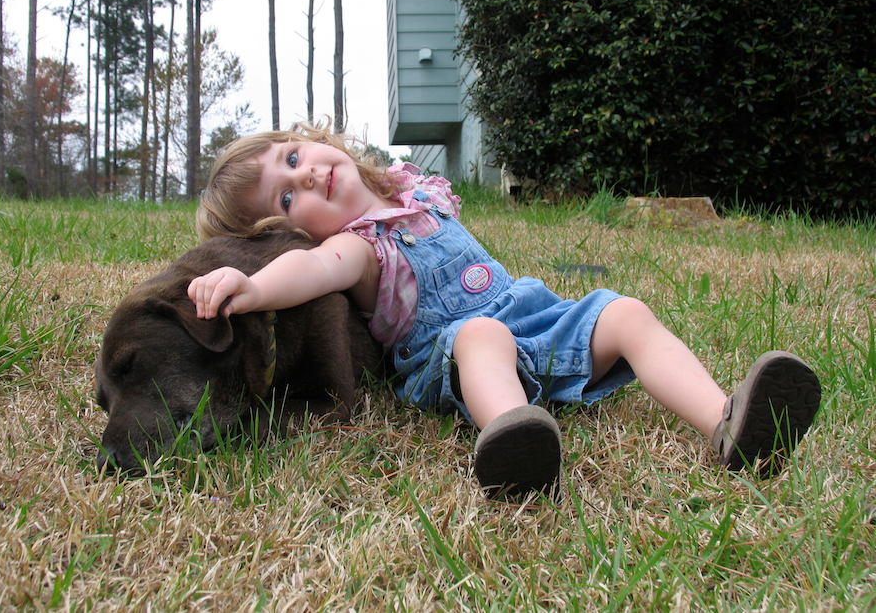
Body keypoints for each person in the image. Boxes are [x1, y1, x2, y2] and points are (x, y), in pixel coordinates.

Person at [188, 120, 822, 497]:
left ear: (310, 140)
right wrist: (254, 287)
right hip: (455, 354)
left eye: (293, 158)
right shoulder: (356, 249)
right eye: (287, 198)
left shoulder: (416, 192)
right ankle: (516, 437)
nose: (305, 176)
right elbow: (311, 271)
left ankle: (728, 424)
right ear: (292, 232)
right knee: (481, 334)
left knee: (627, 312)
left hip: (534, 320)